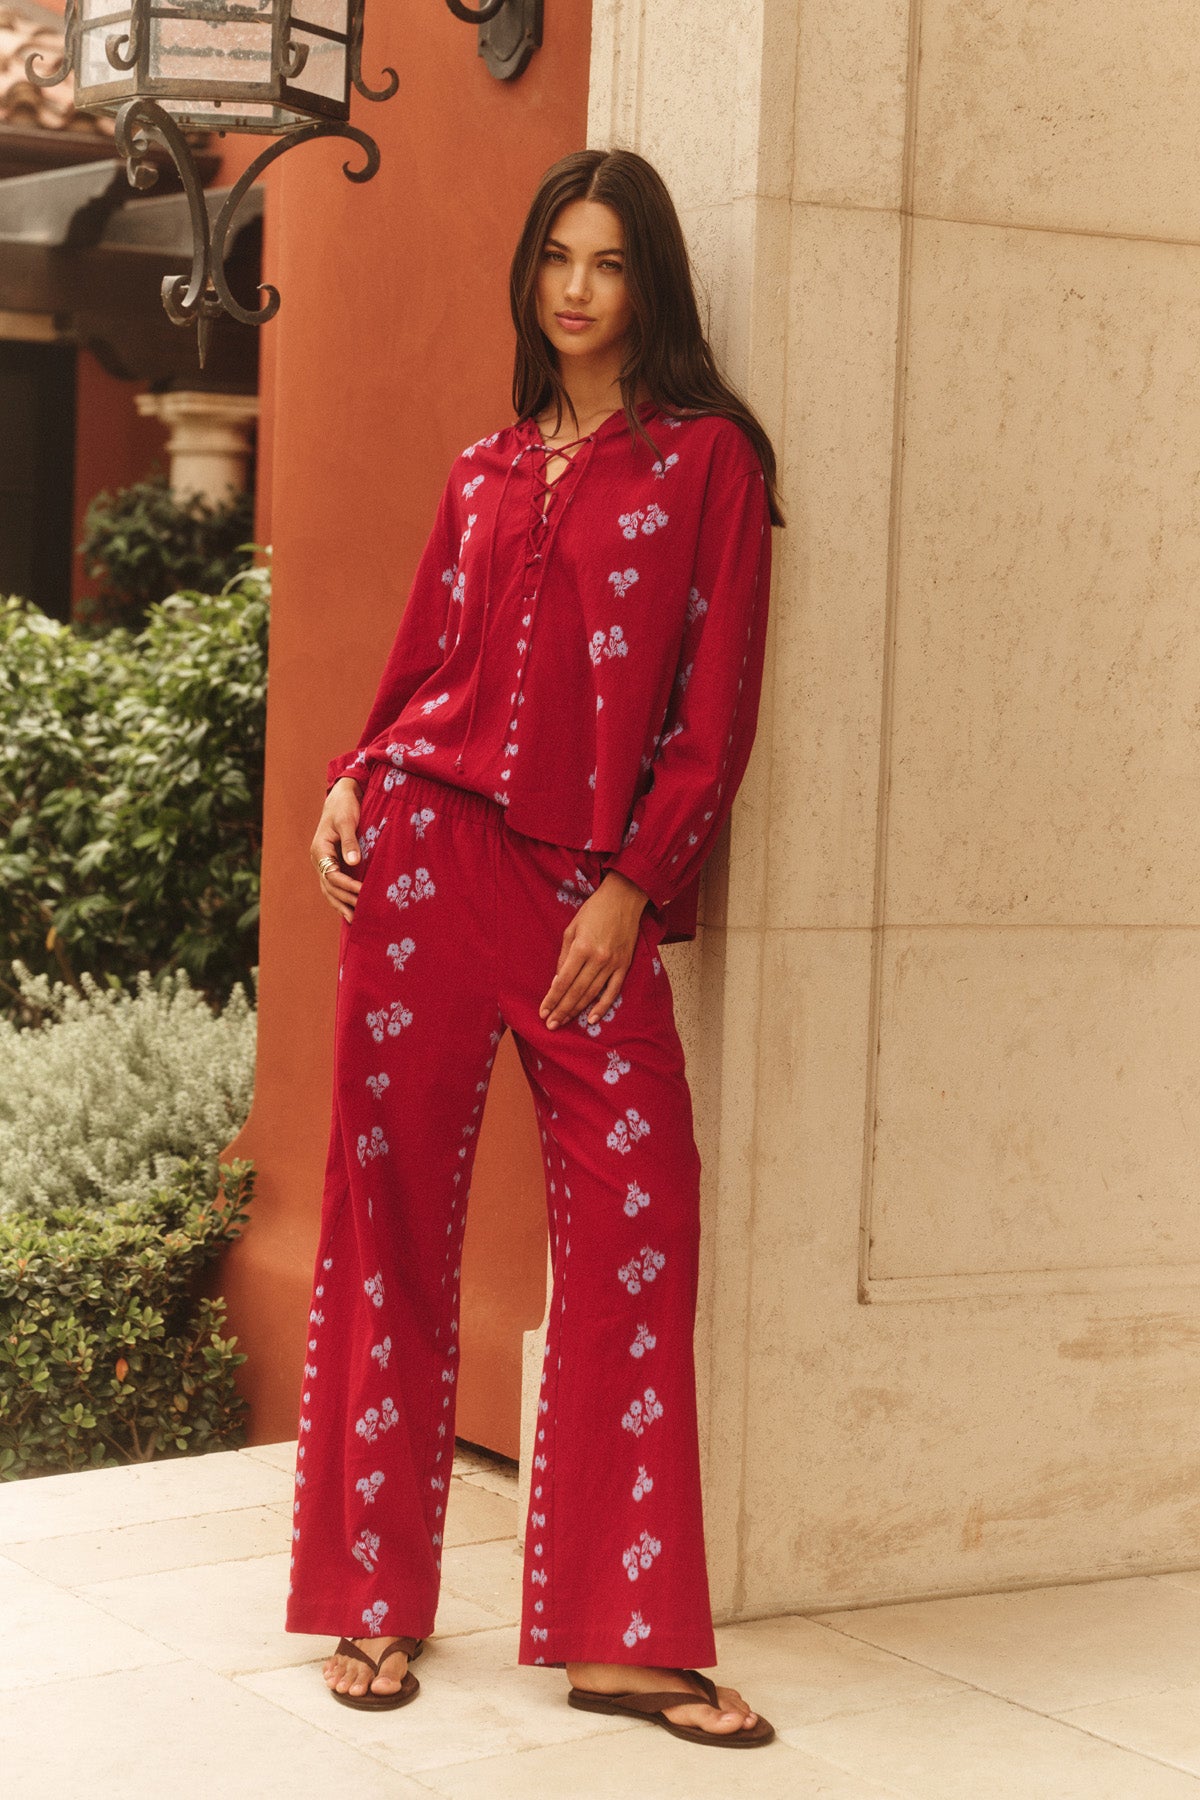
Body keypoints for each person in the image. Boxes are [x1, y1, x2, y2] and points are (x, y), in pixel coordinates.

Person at [286, 146, 785, 1750]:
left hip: (581, 898)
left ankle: (621, 1636)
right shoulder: (484, 470)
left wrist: (634, 887)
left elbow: (713, 714)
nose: (578, 288)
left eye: (610, 261)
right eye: (558, 257)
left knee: (643, 1216)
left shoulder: (708, 463)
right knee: (388, 1226)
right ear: (530, 275)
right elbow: (418, 667)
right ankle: (372, 1595)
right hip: (423, 865)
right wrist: (352, 782)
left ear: (652, 285)